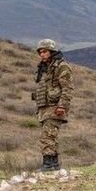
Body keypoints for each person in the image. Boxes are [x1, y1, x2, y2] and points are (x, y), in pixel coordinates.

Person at [32, 38, 73, 171]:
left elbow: (67, 88)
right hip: (44, 107)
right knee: (49, 136)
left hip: (55, 107)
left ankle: (49, 165)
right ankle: (53, 164)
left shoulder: (61, 66)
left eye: (44, 51)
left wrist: (62, 106)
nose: (42, 54)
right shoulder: (44, 68)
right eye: (40, 52)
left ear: (51, 51)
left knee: (47, 136)